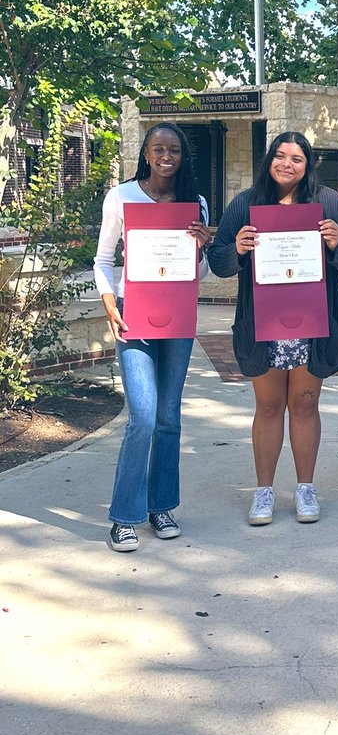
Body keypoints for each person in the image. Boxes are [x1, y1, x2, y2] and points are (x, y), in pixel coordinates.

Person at [207, 132, 338, 525]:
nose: (287, 164)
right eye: (280, 156)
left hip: (313, 324)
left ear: (308, 164)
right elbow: (219, 260)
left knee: (306, 404)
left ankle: (306, 489)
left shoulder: (326, 202)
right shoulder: (246, 203)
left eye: (297, 158)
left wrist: (335, 242)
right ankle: (264, 493)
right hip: (264, 323)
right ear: (268, 160)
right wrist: (239, 248)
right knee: (268, 405)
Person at [94, 123, 211, 552]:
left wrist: (200, 249)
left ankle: (162, 506)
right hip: (132, 314)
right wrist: (109, 302)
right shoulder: (121, 197)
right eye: (158, 149)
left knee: (169, 418)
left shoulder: (194, 203)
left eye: (174, 150)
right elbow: (103, 259)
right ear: (146, 153)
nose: (167, 156)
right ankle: (124, 517)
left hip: (177, 315)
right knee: (142, 415)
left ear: (183, 156)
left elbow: (195, 275)